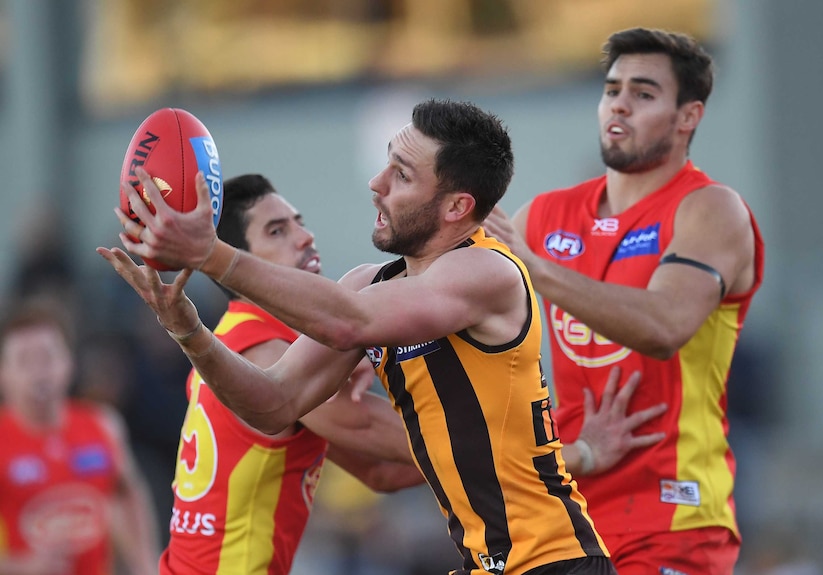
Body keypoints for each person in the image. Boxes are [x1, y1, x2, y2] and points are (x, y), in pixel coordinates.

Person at [100, 99, 624, 575]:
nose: (376, 183)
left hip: (555, 559)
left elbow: (350, 323)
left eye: (400, 174)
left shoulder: (487, 272)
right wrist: (189, 328)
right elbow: (276, 402)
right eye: (385, 164)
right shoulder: (367, 286)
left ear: (456, 207)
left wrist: (210, 253)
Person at [483, 28, 765, 575]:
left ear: (689, 117)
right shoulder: (543, 215)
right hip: (564, 513)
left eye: (643, 93)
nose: (619, 104)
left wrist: (535, 268)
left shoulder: (710, 209)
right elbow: (460, 308)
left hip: (673, 516)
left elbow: (665, 326)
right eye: (612, 89)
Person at [160, 173, 427, 574]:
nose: (305, 237)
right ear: (235, 263)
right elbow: (416, 441)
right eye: (277, 231)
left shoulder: (247, 340)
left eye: (298, 222)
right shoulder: (266, 353)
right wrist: (541, 454)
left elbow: (380, 471)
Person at [0, 299, 160, 575]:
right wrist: (21, 567)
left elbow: (126, 495)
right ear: (4, 374)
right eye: (25, 360)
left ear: (68, 362)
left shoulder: (102, 424)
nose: (40, 373)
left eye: (47, 357)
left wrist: (145, 564)